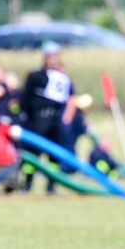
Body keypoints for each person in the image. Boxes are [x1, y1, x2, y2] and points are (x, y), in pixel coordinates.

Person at [20, 42, 76, 194]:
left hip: (55, 119)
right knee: (33, 153)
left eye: (56, 56)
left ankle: (51, 185)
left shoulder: (63, 78)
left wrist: (66, 117)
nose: (53, 59)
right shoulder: (36, 76)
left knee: (54, 155)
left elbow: (70, 97)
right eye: (50, 56)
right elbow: (25, 98)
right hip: (38, 119)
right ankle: (27, 184)